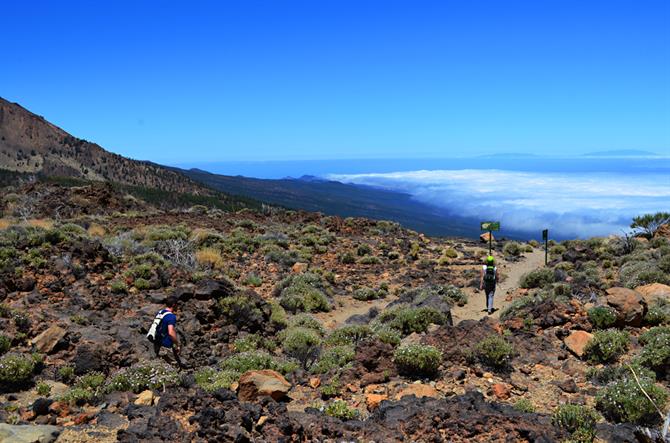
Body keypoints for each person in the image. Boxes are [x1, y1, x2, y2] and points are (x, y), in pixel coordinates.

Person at [149, 296, 184, 369]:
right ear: (174, 305)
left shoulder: (160, 313)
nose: (178, 307)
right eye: (177, 304)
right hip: (166, 346)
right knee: (174, 368)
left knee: (160, 367)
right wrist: (177, 344)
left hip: (157, 344)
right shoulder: (171, 316)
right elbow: (171, 332)